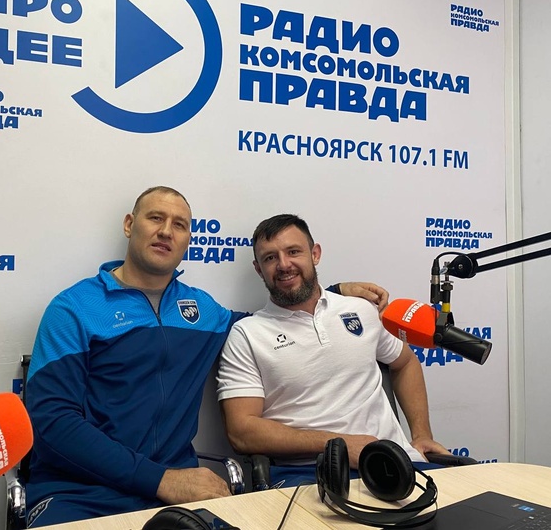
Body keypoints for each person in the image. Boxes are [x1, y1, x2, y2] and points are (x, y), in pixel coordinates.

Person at [24, 188, 390, 526]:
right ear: (129, 225)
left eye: (179, 225)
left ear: (188, 239)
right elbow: (53, 422)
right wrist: (160, 479)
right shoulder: (74, 308)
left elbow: (267, 325)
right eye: (155, 218)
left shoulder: (201, 310)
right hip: (81, 493)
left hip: (178, 492)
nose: (166, 231)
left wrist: (334, 292)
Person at [217, 213, 450, 488]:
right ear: (259, 269)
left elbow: (406, 363)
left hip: (394, 462)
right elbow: (242, 432)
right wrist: (338, 445)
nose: (284, 265)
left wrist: (421, 434)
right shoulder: (247, 334)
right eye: (270, 258)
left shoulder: (361, 309)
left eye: (293, 252)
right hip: (309, 475)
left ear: (315, 254)